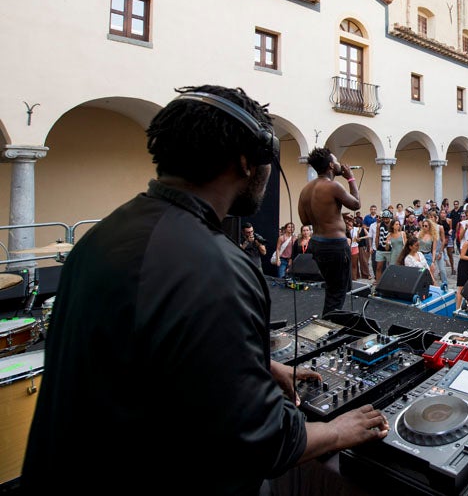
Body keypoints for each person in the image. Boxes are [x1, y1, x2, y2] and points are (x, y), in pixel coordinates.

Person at [21, 85, 387, 494]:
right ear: (249, 161)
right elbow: (264, 441)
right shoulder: (218, 268)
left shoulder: (101, 237)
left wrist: (261, 367)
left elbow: (140, 348)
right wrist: (338, 429)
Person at [299, 148, 361, 317]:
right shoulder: (333, 186)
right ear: (332, 166)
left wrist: (333, 215)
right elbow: (356, 204)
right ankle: (329, 329)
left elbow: (305, 220)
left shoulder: (306, 189)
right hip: (335, 246)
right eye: (337, 161)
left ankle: (329, 324)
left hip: (317, 244)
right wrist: (350, 178)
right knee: (337, 294)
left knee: (333, 289)